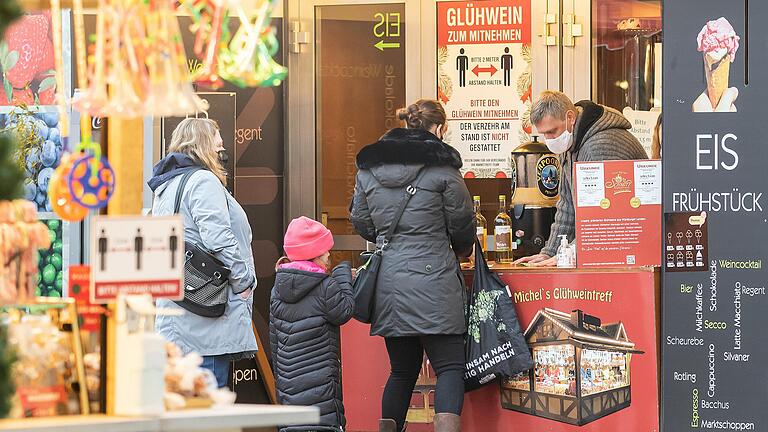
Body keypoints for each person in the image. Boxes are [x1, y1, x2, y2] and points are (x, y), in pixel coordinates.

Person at [350, 99, 475, 432]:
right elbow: (463, 221)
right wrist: (461, 250)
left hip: (391, 281)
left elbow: (361, 221)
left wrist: (391, 241)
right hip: (436, 278)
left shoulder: (369, 169)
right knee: (449, 367)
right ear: (439, 128)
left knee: (401, 371)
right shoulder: (444, 169)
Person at [148, 118, 257, 387]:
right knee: (208, 400)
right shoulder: (203, 181)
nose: (222, 154)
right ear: (205, 146)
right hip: (204, 318)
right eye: (218, 146)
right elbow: (218, 238)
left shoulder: (166, 185)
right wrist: (244, 280)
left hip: (179, 308)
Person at [514, 91, 648, 267]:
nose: (549, 140)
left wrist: (570, 252)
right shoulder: (571, 143)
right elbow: (567, 206)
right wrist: (550, 252)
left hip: (628, 251)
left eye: (552, 131)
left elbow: (604, 217)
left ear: (570, 117)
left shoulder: (599, 146)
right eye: (544, 134)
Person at [269, 216, 354, 430]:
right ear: (312, 254)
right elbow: (344, 311)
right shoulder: (325, 286)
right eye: (324, 251)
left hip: (290, 388)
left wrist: (280, 381)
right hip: (322, 389)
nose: (328, 255)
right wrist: (343, 275)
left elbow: (274, 340)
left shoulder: (278, 288)